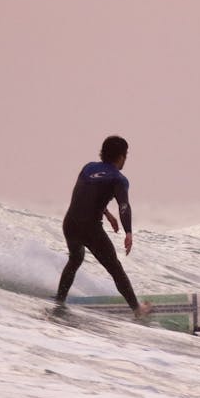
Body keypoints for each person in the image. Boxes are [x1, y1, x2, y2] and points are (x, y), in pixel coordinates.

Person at [56, 136, 152, 318]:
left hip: (70, 223)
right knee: (115, 269)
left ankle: (59, 300)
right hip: (90, 229)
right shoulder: (118, 179)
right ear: (122, 156)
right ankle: (137, 310)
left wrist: (106, 213)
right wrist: (128, 232)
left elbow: (86, 196)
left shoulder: (88, 168)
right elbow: (124, 206)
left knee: (75, 259)